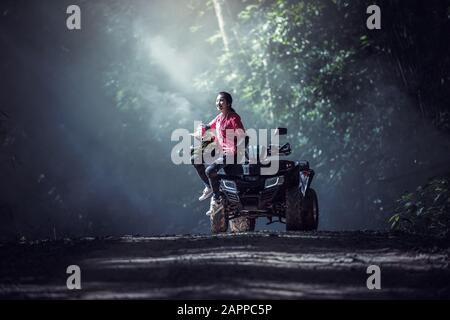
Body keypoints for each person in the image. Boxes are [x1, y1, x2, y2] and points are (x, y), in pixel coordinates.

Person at [191, 92, 246, 216]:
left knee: (210, 171)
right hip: (221, 153)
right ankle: (209, 186)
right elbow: (208, 126)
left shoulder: (233, 117)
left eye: (221, 100)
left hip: (232, 154)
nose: (218, 103)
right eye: (217, 101)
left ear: (228, 103)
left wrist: (240, 146)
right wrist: (201, 129)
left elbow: (242, 134)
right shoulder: (220, 117)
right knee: (195, 158)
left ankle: (217, 199)